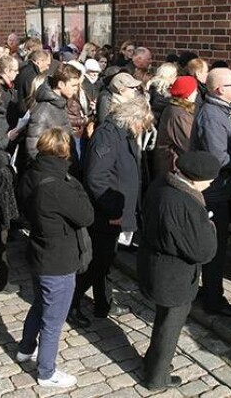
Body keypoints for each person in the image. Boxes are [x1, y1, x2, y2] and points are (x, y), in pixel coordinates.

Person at [16, 128, 94, 388]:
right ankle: (46, 372)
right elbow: (86, 215)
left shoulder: (31, 174)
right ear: (65, 152)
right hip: (58, 260)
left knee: (40, 304)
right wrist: (78, 186)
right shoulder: (59, 185)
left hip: (39, 252)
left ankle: (26, 349)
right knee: (53, 320)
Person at [139, 151, 220, 392]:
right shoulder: (185, 202)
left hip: (156, 266)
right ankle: (157, 377)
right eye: (209, 179)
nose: (211, 184)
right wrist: (210, 226)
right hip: (174, 277)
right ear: (195, 179)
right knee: (169, 326)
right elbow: (203, 251)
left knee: (164, 321)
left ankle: (154, 361)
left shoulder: (161, 184)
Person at [69, 97, 153, 326]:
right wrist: (114, 210)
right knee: (96, 261)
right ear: (132, 119)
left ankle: (103, 303)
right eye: (142, 125)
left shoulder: (121, 134)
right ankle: (71, 303)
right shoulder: (108, 135)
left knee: (106, 260)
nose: (141, 130)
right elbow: (97, 178)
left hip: (115, 211)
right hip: (105, 213)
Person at [191, 68, 231, 316]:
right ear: (219, 89)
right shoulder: (213, 115)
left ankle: (207, 291)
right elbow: (218, 158)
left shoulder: (219, 111)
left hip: (217, 190)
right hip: (212, 192)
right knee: (214, 249)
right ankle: (213, 300)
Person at [154, 76, 198, 175]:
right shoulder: (179, 114)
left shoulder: (179, 110)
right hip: (173, 166)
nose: (196, 93)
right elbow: (188, 142)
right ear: (187, 94)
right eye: (194, 90)